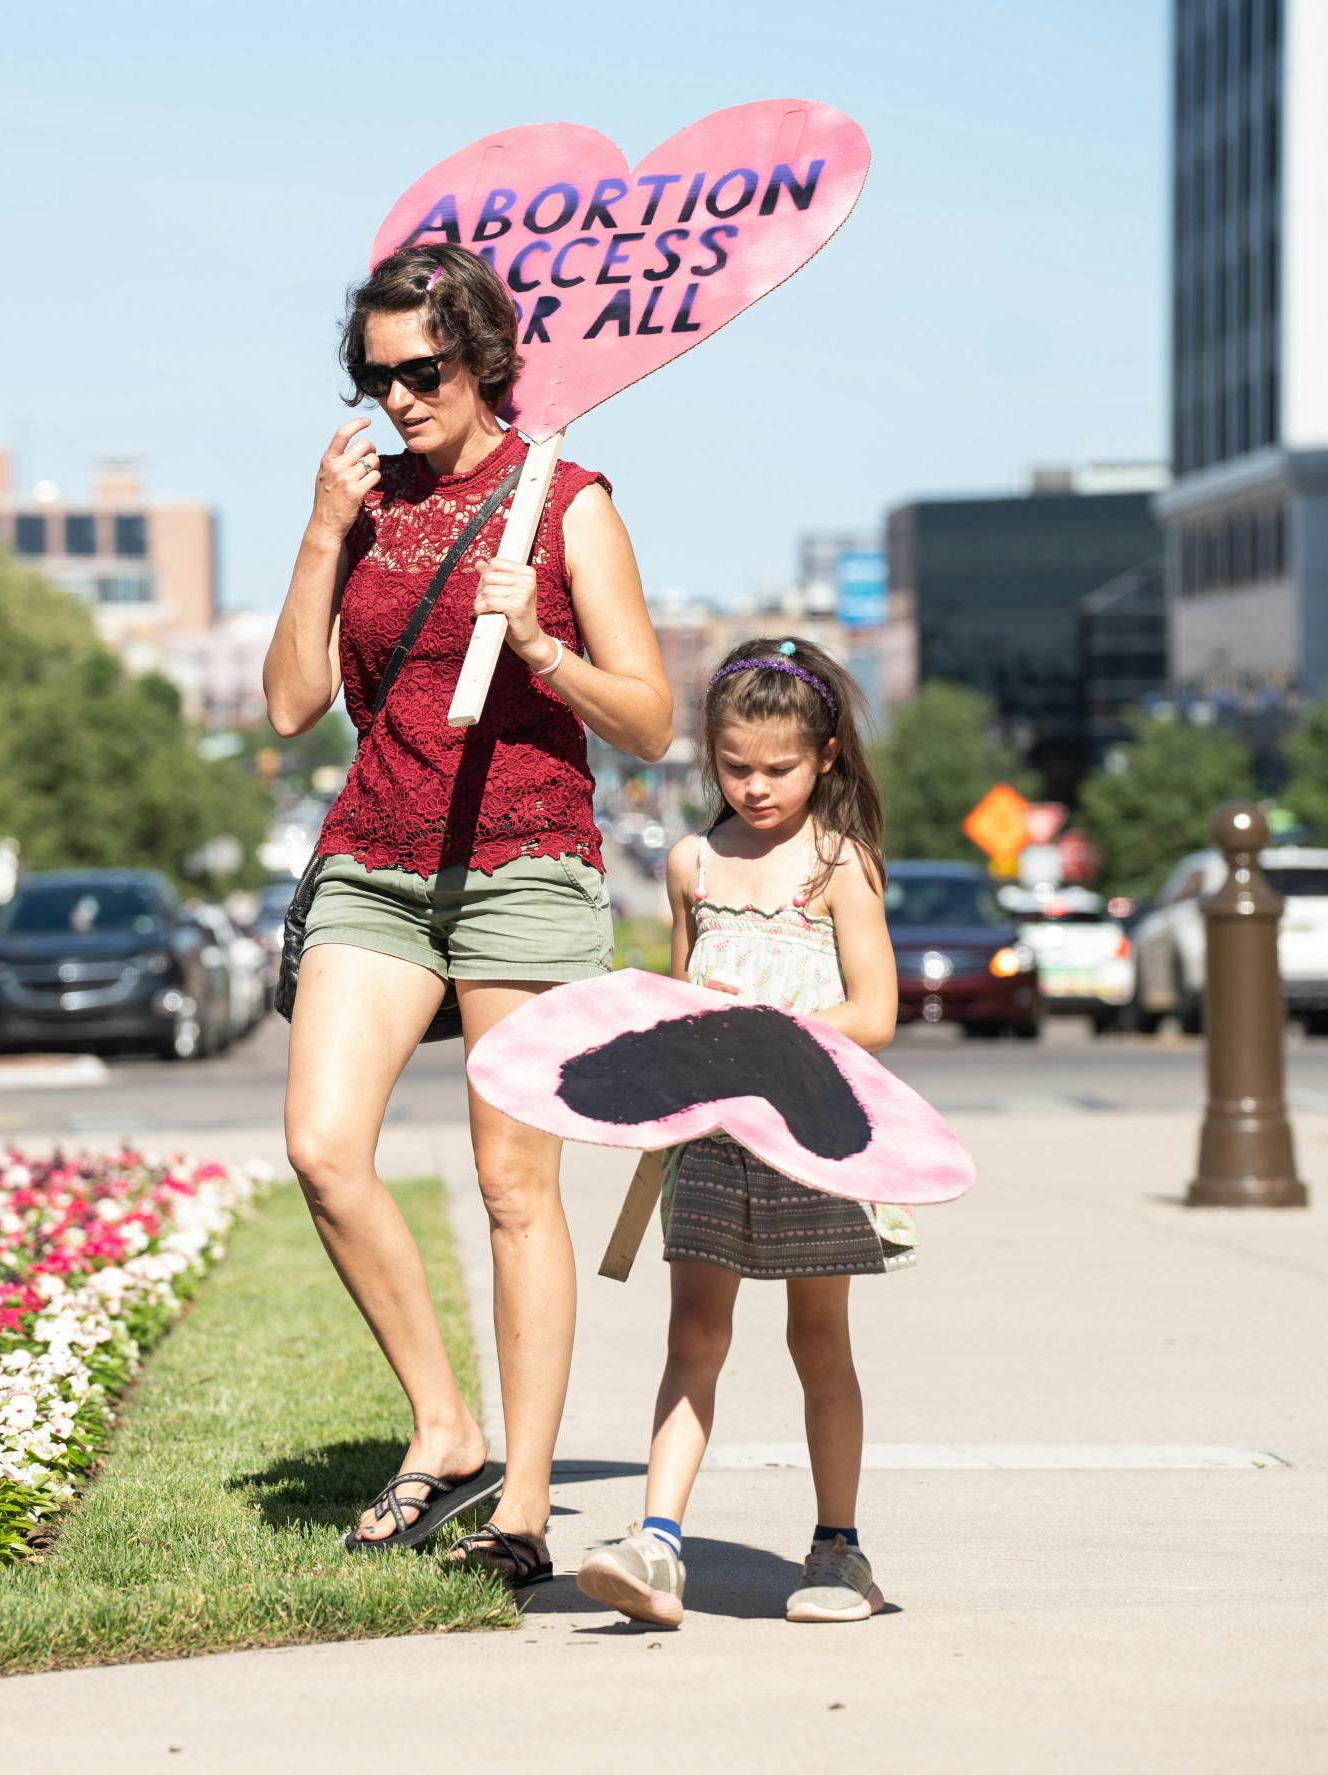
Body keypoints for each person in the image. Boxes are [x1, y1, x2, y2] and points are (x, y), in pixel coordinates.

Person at [263, 243, 672, 1587]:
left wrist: (543, 646)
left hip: (520, 866)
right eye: (375, 377)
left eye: (422, 371)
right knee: (324, 1148)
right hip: (377, 862)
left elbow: (654, 723)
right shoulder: (369, 506)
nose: (397, 399)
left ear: (486, 359)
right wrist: (325, 529)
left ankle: (525, 1513)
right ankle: (445, 1430)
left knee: (513, 1189)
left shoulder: (568, 502)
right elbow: (283, 705)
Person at [575, 637, 908, 1627]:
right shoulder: (691, 862)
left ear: (826, 759)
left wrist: (769, 1038)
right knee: (693, 1336)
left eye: (778, 768)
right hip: (711, 1145)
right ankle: (658, 1545)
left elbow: (876, 1010)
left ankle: (838, 1551)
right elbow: (683, 998)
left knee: (819, 1341)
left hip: (808, 1134)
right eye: (735, 767)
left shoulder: (839, 867)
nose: (755, 787)